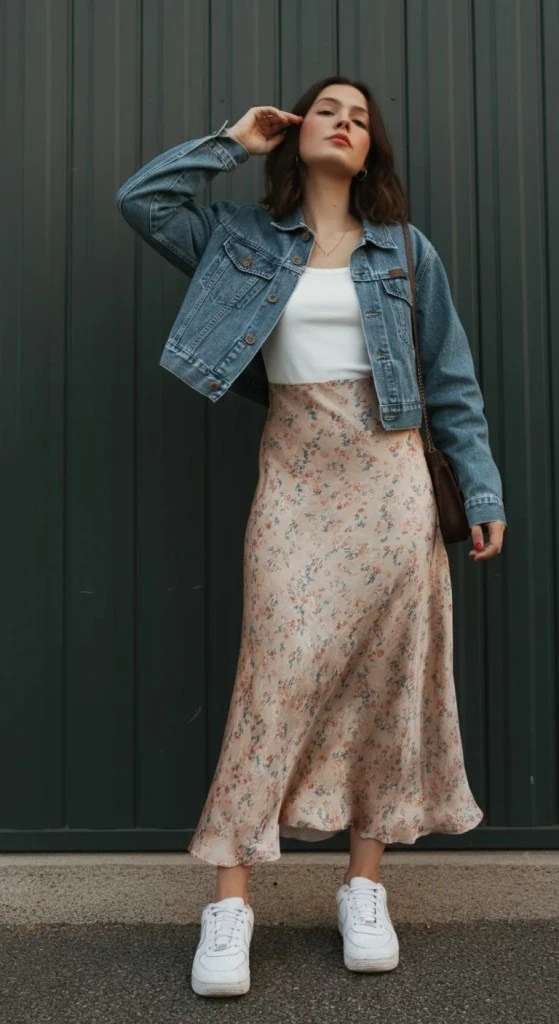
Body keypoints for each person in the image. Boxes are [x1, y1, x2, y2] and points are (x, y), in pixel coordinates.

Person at [115, 76, 506, 997]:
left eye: (360, 118)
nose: (344, 123)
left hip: (392, 483)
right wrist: (231, 141)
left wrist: (478, 486)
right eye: (329, 109)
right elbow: (143, 202)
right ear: (297, 131)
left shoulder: (408, 252)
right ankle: (229, 906)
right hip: (295, 480)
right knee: (274, 678)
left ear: (372, 150)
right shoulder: (239, 240)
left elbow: (449, 379)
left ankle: (362, 891)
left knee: (386, 682)